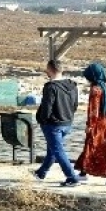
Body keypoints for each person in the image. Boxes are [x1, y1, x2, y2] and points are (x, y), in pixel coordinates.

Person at [75, 63, 106, 186]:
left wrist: (89, 126)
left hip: (99, 124)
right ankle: (83, 173)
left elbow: (94, 111)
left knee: (92, 145)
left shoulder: (95, 89)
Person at [34, 59, 80, 187]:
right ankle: (41, 172)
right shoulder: (72, 85)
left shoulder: (50, 87)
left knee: (58, 150)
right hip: (67, 122)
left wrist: (42, 120)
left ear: (50, 70)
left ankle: (72, 177)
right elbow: (75, 105)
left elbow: (47, 107)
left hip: (53, 124)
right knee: (53, 149)